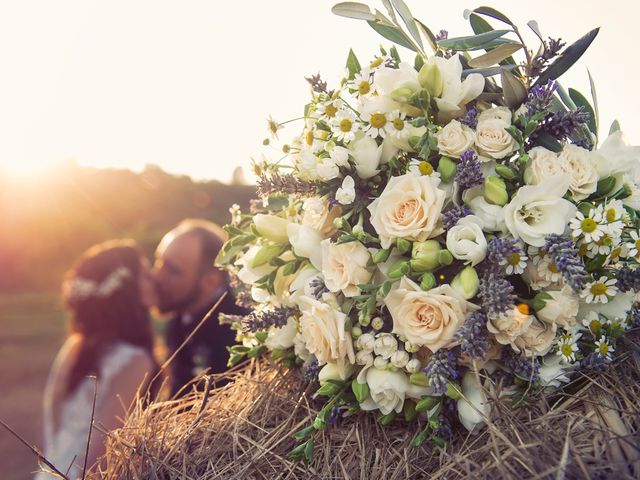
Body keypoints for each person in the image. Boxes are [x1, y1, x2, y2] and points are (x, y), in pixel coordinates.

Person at [36, 240, 159, 479]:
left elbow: (52, 426)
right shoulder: (135, 360)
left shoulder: (76, 346)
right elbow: (106, 449)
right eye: (144, 275)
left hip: (53, 470)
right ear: (127, 289)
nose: (153, 280)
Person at [153, 219, 248, 396]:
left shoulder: (240, 335)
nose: (156, 276)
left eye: (173, 270)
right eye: (159, 262)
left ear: (210, 282)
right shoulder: (179, 317)